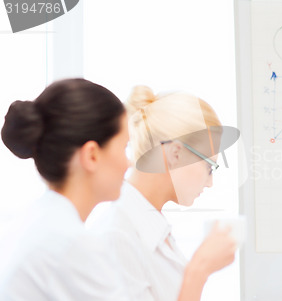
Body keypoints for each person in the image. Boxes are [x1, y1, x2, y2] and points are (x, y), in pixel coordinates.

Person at [86, 86, 238, 301]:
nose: (210, 183)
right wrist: (199, 270)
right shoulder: (117, 235)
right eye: (209, 168)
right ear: (176, 153)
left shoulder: (152, 226)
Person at [0, 78, 130, 300]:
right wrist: (199, 270)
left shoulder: (39, 221)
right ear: (92, 155)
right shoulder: (70, 243)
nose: (128, 163)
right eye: (124, 147)